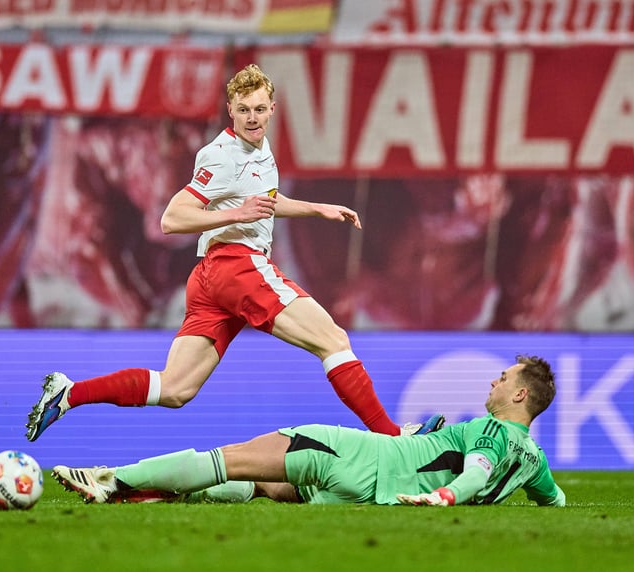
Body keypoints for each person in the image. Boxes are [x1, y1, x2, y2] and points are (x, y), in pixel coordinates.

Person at [25, 63, 443, 441]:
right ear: (231, 111)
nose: (252, 118)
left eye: (259, 109)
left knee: (175, 389)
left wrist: (317, 208)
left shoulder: (259, 151)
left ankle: (69, 393)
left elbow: (265, 200)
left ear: (273, 109)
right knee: (332, 339)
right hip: (237, 265)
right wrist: (234, 214)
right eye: (244, 110)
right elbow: (173, 217)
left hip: (211, 280)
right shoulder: (220, 154)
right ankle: (392, 437)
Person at [51, 355, 565, 508]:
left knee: (230, 458)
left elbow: (475, 471)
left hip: (353, 456)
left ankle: (111, 478)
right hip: (372, 498)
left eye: (505, 378)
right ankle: (152, 495)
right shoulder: (533, 460)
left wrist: (449, 497)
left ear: (521, 395)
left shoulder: (492, 434)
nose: (495, 380)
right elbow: (556, 502)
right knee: (267, 484)